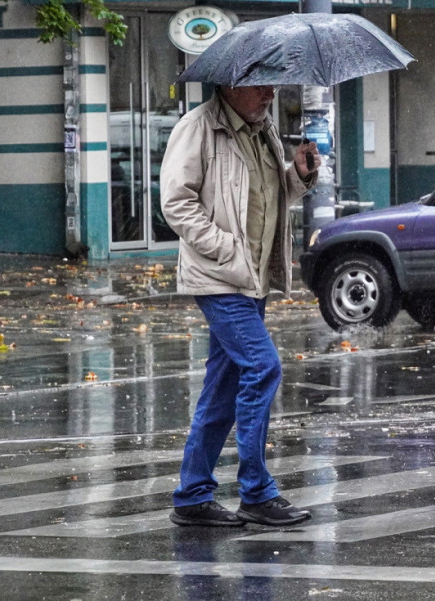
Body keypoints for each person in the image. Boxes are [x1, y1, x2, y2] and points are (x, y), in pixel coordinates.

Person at [160, 84, 319, 527]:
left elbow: (267, 197)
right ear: (230, 85)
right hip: (219, 276)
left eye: (272, 84)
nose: (270, 93)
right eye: (260, 84)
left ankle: (192, 495)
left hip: (252, 278)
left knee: (223, 386)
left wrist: (299, 175)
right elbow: (176, 203)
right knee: (262, 366)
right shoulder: (198, 128)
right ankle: (256, 491)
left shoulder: (262, 128)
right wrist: (223, 247)